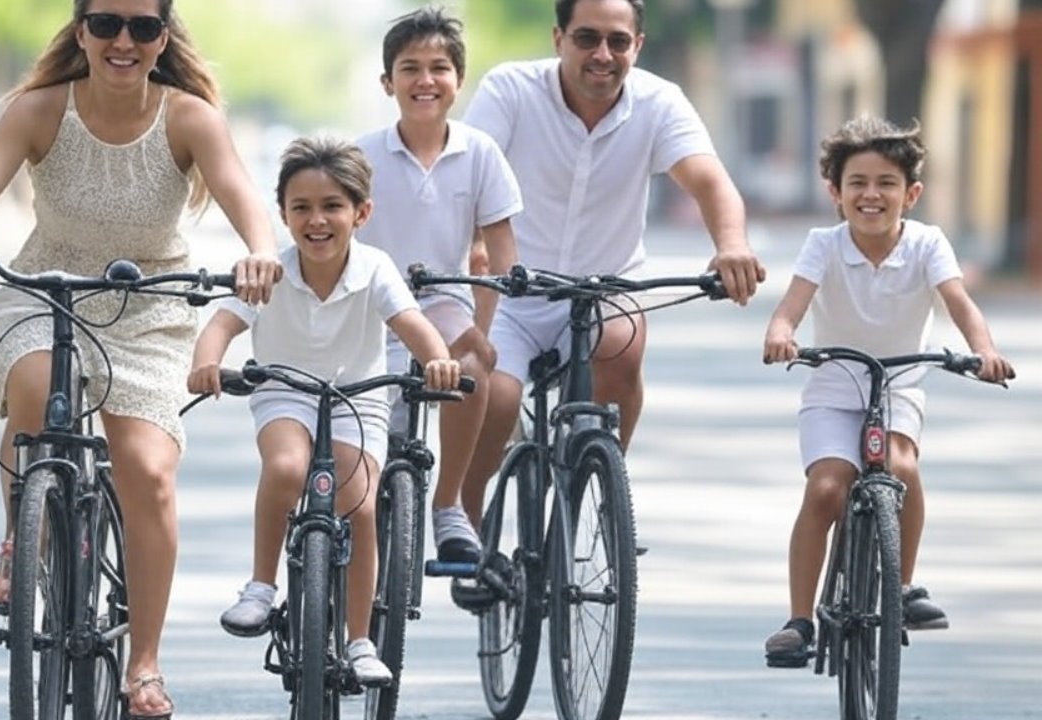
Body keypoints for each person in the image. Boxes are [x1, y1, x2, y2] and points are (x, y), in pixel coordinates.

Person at [0, 1, 283, 716]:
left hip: (149, 304)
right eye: (105, 25)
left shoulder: (189, 117)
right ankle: (21, 543)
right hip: (49, 288)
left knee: (150, 475)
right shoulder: (38, 110)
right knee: (36, 390)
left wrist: (259, 250)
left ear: (164, 38)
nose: (123, 41)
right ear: (82, 33)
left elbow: (242, 197)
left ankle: (144, 666)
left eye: (142, 27)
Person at [457, 0, 766, 529]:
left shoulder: (659, 102)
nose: (603, 54)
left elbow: (710, 181)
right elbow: (463, 179)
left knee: (624, 354)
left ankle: (594, 492)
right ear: (558, 39)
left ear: (637, 47)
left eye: (618, 41)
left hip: (604, 292)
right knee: (500, 397)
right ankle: (466, 513)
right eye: (587, 38)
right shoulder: (510, 91)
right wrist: (467, 250)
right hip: (512, 293)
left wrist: (732, 242)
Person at [187, 136, 462, 685]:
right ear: (283, 214)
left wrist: (439, 360)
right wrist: (207, 360)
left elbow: (412, 323)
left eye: (332, 206)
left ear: (362, 212)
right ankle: (261, 585)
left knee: (359, 504)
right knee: (287, 468)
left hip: (357, 396)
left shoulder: (375, 268)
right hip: (284, 390)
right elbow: (223, 322)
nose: (317, 220)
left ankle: (360, 640)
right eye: (302, 208)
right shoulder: (270, 269)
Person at [761, 115, 1014, 666]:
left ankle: (901, 586)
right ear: (835, 192)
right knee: (828, 487)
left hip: (899, 385)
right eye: (857, 183)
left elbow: (960, 303)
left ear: (912, 193)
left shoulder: (928, 244)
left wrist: (985, 351)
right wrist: (782, 334)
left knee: (901, 468)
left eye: (886, 184)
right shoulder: (823, 245)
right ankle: (799, 621)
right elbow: (793, 304)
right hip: (833, 388)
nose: (871, 195)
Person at [355, 6, 522, 564]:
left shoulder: (480, 153)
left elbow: (500, 249)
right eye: (410, 68)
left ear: (458, 80)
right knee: (365, 431)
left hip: (442, 299)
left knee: (473, 367)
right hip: (372, 305)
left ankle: (448, 503)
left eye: (439, 67)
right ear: (388, 82)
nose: (425, 80)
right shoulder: (362, 157)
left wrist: (483, 326)